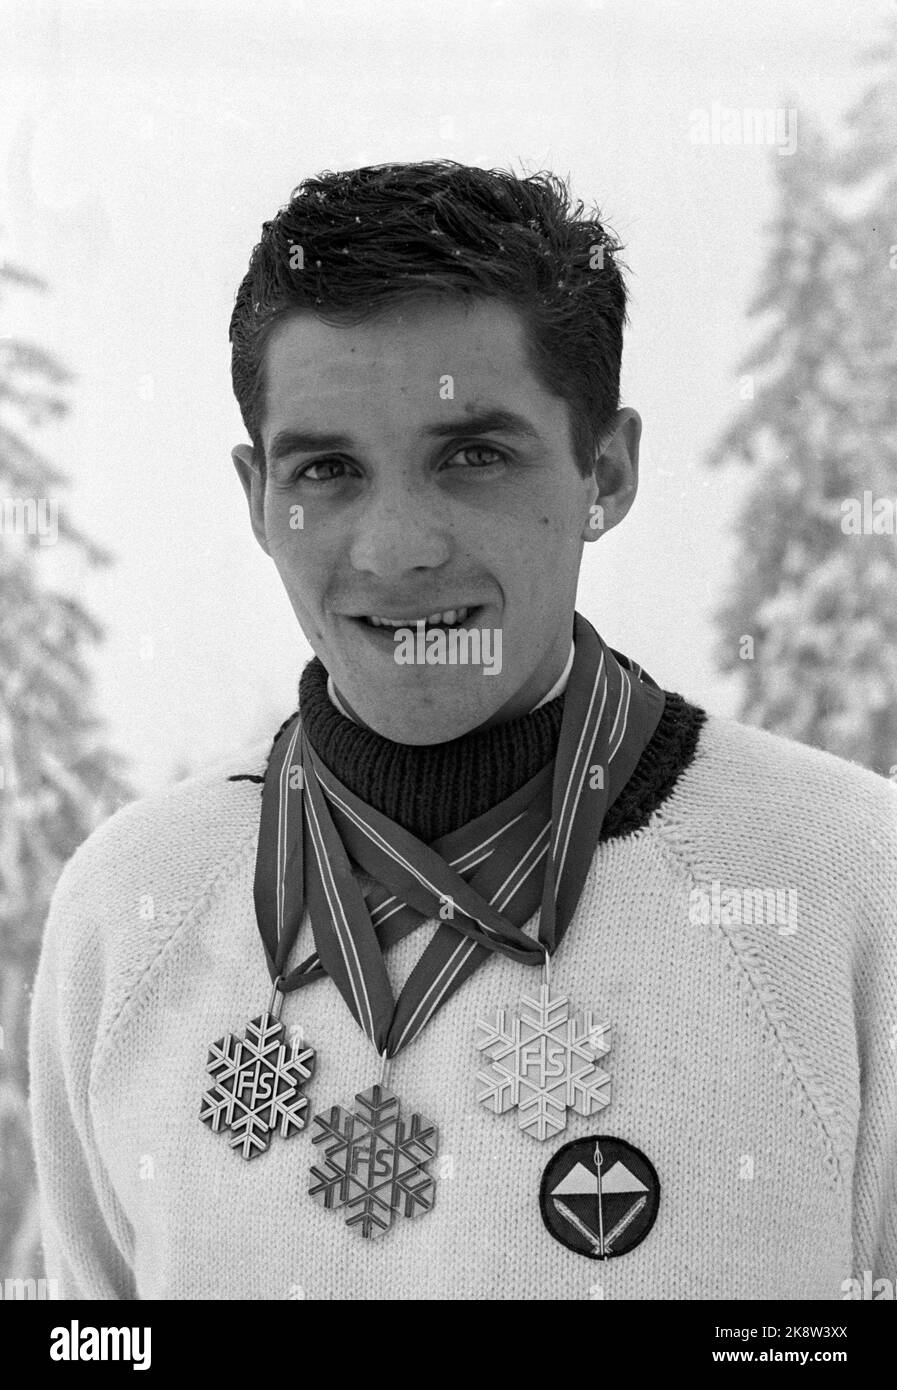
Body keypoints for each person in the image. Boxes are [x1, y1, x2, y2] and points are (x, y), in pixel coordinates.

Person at [29, 161, 896, 1300]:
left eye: (473, 455)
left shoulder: (844, 880)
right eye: (328, 468)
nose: (397, 549)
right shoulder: (126, 911)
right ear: (257, 496)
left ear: (609, 469)